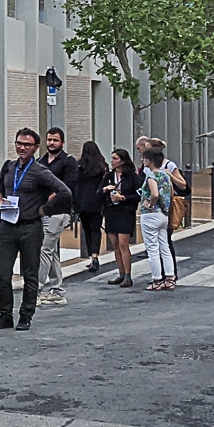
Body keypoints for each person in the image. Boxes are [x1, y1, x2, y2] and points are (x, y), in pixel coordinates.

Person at [0, 128, 71, 332]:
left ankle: (26, 314)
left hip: (30, 226)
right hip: (8, 226)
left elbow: (64, 191)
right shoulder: (9, 167)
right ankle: (5, 313)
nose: (22, 147)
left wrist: (44, 209)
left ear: (35, 148)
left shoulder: (40, 170)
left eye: (27, 145)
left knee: (30, 273)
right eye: (19, 143)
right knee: (3, 273)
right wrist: (0, 201)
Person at [38, 127, 79, 307]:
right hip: (44, 211)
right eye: (49, 140)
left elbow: (67, 187)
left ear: (62, 142)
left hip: (59, 211)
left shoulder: (68, 161)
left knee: (44, 250)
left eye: (55, 140)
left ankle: (37, 289)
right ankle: (57, 290)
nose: (51, 143)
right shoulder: (41, 161)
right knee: (51, 251)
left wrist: (49, 200)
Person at [139, 146, 176, 290]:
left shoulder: (151, 176)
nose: (143, 160)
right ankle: (170, 277)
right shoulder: (166, 175)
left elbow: (154, 193)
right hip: (163, 214)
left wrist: (150, 204)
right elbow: (170, 192)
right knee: (164, 246)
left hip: (151, 215)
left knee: (152, 249)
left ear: (149, 160)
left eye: (144, 158)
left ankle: (156, 279)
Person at [103, 148, 139, 286]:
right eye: (112, 158)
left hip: (125, 212)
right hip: (111, 211)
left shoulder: (131, 176)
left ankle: (128, 275)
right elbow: (99, 191)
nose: (112, 161)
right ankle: (121, 273)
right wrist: (105, 190)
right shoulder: (109, 176)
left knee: (124, 243)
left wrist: (123, 197)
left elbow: (138, 194)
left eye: (115, 159)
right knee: (115, 244)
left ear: (122, 161)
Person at [76, 141, 108, 273]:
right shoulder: (102, 167)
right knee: (96, 229)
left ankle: (90, 255)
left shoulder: (80, 166)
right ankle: (95, 255)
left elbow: (76, 185)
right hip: (97, 201)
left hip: (83, 202)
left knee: (87, 229)